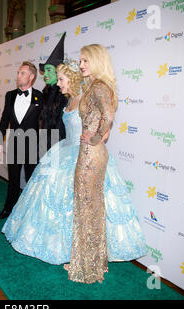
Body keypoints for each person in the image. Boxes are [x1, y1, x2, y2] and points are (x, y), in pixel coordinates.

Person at [2, 59, 147, 267]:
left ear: (71, 78)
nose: (58, 83)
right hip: (63, 151)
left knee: (81, 207)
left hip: (84, 155)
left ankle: (86, 253)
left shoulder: (85, 100)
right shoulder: (69, 100)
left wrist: (96, 138)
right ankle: (69, 249)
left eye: (61, 79)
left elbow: (105, 120)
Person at [66, 44, 119, 284]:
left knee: (86, 206)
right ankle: (90, 260)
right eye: (80, 61)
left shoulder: (98, 87)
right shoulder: (97, 86)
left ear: (97, 61)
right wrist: (100, 137)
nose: (81, 65)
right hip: (91, 152)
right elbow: (105, 117)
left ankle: (86, 265)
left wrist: (96, 137)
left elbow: (108, 117)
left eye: (86, 60)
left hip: (90, 154)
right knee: (91, 206)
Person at [0, 62, 43, 219]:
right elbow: (4, 120)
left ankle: (31, 213)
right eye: (18, 72)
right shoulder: (10, 95)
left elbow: (44, 123)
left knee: (31, 180)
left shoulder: (40, 96)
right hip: (14, 143)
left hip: (32, 145)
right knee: (13, 179)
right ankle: (8, 209)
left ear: (31, 76)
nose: (18, 76)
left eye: (22, 73)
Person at [39, 32, 68, 153]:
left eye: (48, 70)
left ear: (58, 72)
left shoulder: (66, 95)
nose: (45, 74)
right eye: (44, 71)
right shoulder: (44, 92)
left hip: (60, 145)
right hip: (44, 143)